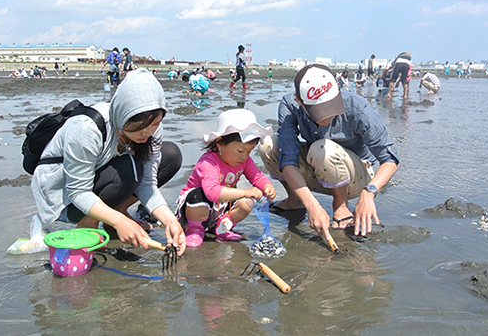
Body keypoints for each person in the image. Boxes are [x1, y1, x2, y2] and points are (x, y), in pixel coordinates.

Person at [30, 69, 186, 255]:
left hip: (106, 180)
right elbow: (78, 190)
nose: (147, 132)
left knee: (170, 155)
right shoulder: (87, 128)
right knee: (131, 167)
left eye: (154, 124)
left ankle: (117, 211)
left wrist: (170, 221)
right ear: (123, 115)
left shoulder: (152, 129)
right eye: (139, 126)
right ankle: (89, 222)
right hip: (66, 197)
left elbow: (147, 183)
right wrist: (118, 222)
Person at [258, 64, 399, 238]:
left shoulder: (356, 106)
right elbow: (288, 159)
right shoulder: (289, 105)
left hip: (357, 175)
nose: (327, 117)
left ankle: (340, 205)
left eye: (332, 108)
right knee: (269, 145)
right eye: (319, 112)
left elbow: (390, 158)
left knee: (322, 148)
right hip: (320, 165)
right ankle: (296, 199)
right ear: (299, 101)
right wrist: (311, 205)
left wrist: (369, 192)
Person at [175, 109, 276, 247]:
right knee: (197, 196)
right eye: (240, 151)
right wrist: (245, 191)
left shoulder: (244, 161)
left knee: (247, 202)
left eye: (249, 151)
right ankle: (194, 230)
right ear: (220, 143)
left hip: (221, 205)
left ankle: (223, 227)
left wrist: (267, 187)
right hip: (196, 207)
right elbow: (212, 192)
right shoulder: (208, 162)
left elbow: (257, 176)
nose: (244, 156)